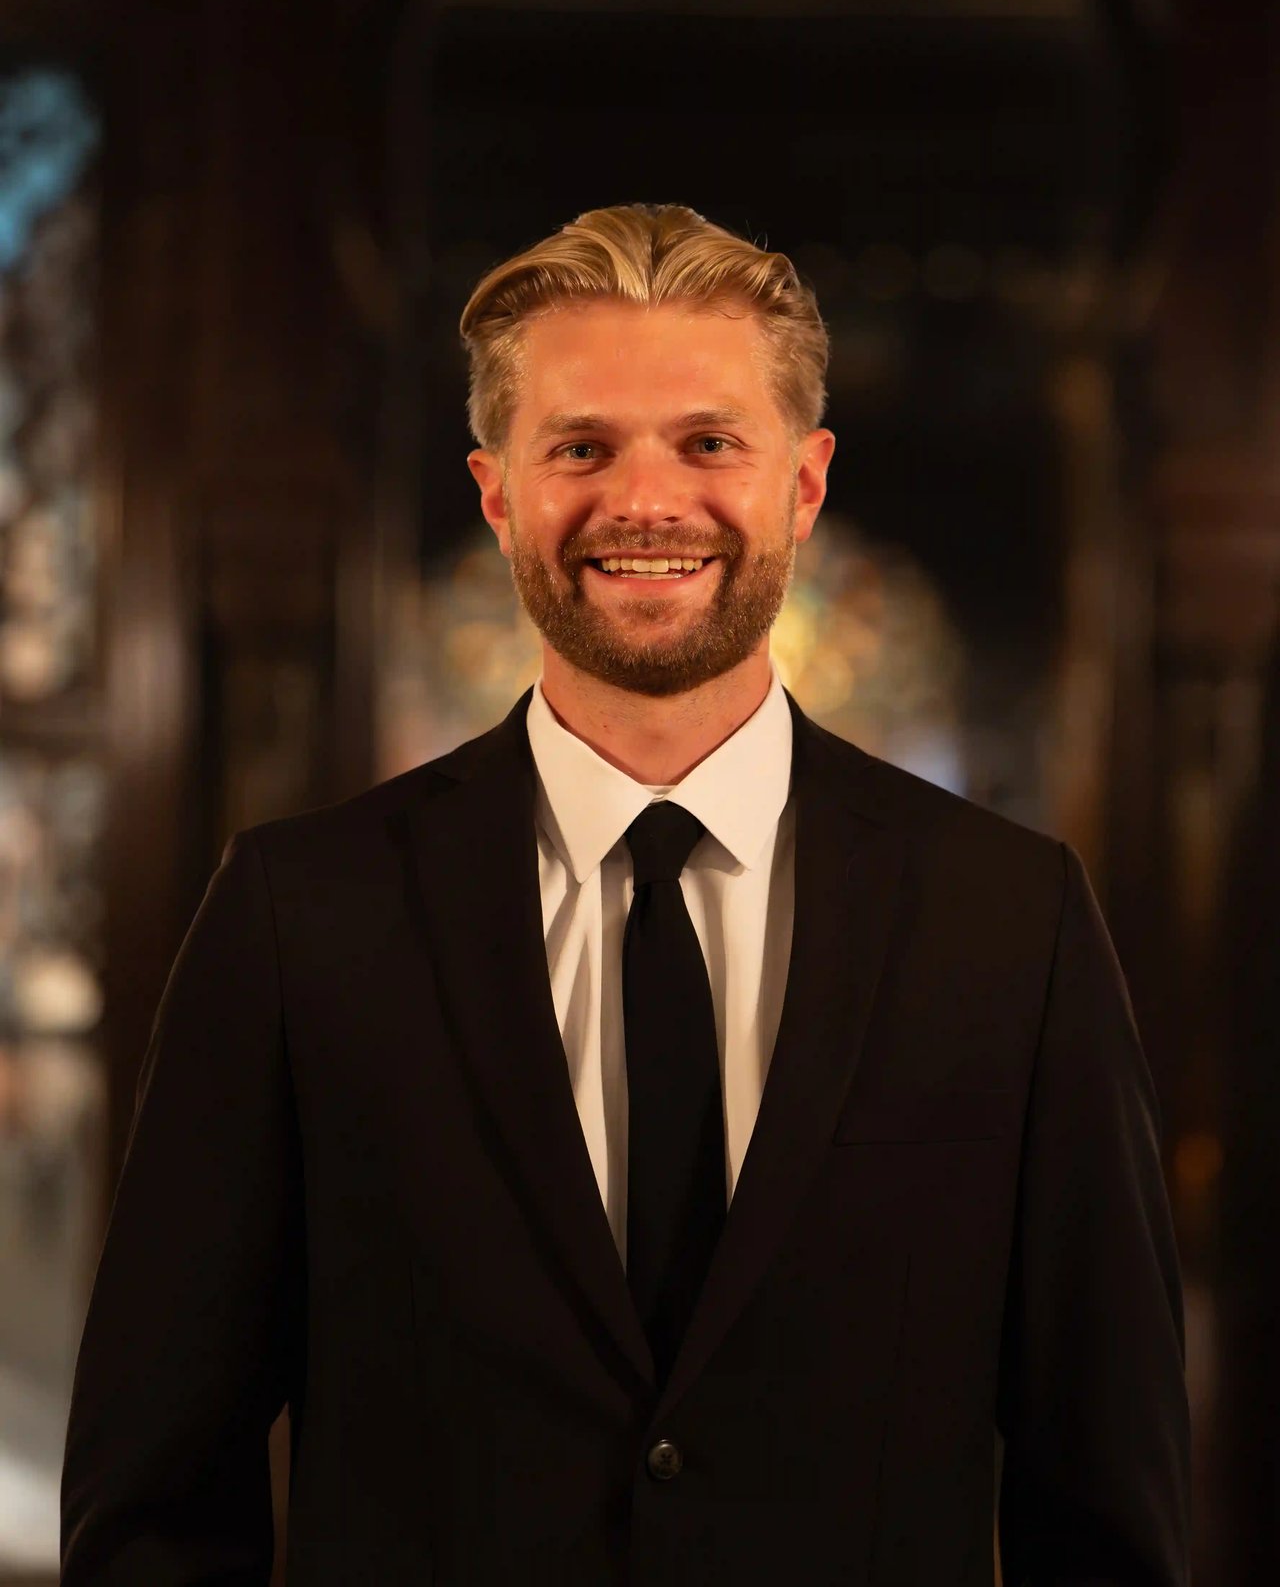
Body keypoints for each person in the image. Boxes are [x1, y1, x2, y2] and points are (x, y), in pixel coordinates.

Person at [61, 203, 1190, 1584]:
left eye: (710, 442)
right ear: (496, 491)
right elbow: (154, 1500)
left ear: (805, 483)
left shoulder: (1013, 927)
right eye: (581, 446)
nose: (646, 501)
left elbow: (1112, 1515)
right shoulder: (302, 919)